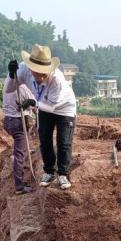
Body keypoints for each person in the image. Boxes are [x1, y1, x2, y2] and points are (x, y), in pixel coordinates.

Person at [5, 44, 77, 190]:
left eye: (45, 73)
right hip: (42, 105)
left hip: (63, 109)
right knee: (44, 139)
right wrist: (11, 75)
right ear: (31, 68)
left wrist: (32, 103)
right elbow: (9, 88)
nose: (42, 77)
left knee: (64, 141)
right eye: (38, 73)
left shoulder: (57, 80)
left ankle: (63, 174)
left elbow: (51, 107)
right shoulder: (23, 69)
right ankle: (49, 171)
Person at [2, 79, 37, 194]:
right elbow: (35, 104)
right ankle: (19, 186)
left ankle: (21, 178)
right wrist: (32, 103)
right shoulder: (21, 86)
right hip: (18, 121)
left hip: (8, 120)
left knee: (22, 149)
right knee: (20, 154)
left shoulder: (7, 84)